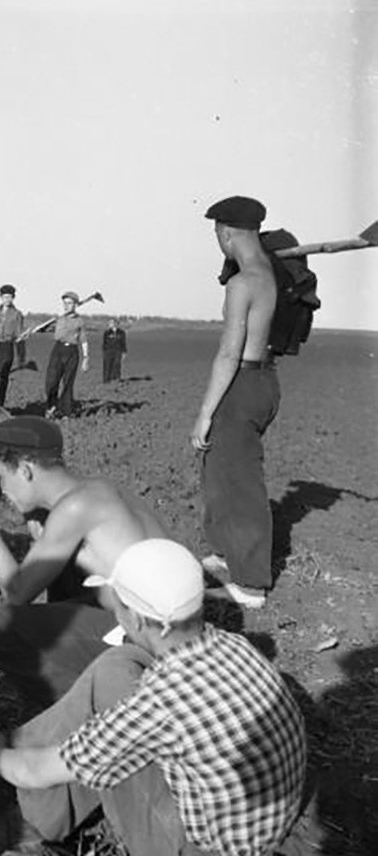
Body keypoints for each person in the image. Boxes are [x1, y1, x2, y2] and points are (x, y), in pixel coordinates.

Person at [0, 540, 307, 856]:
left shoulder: (161, 703)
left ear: (137, 619)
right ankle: (24, 761)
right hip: (256, 823)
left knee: (85, 745)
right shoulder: (234, 646)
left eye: (116, 605)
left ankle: (25, 819)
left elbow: (39, 773)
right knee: (118, 663)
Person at [0, 415, 166, 708]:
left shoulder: (75, 508)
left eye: (2, 478)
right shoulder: (97, 491)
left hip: (151, 645)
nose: (1, 491)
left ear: (26, 470)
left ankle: (74, 714)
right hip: (168, 629)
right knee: (62, 574)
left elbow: (16, 593)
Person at [192, 196, 278, 610]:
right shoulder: (269, 271)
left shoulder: (242, 283)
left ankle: (251, 583)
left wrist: (205, 413)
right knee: (221, 471)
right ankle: (228, 552)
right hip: (265, 380)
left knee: (240, 482)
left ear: (225, 233)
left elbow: (228, 353)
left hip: (241, 381)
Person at [44, 291, 89, 418]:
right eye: (64, 303)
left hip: (72, 352)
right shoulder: (59, 318)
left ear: (75, 305)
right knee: (51, 382)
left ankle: (66, 411)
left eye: (69, 303)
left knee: (68, 383)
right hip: (58, 350)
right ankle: (51, 406)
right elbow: (48, 330)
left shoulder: (79, 321)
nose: (66, 305)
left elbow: (83, 339)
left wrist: (86, 358)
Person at [0, 284, 24, 408]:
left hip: (7, 347)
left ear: (13, 298)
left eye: (9, 297)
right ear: (1, 298)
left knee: (2, 377)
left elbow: (19, 336)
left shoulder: (17, 314)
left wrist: (21, 356)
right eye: (4, 297)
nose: (7, 299)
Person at [102, 317, 127, 383]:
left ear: (116, 323)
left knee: (117, 365)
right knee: (107, 365)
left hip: (118, 351)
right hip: (108, 351)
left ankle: (116, 378)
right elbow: (104, 343)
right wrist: (105, 351)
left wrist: (124, 351)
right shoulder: (107, 332)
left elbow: (123, 342)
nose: (110, 324)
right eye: (110, 323)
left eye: (112, 323)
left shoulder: (121, 333)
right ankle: (106, 379)